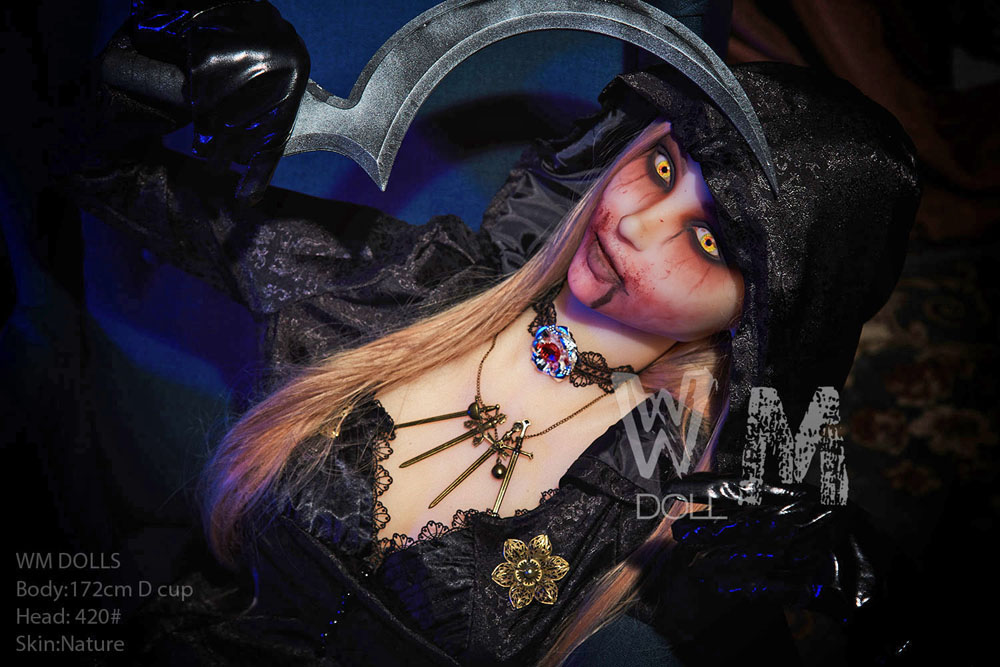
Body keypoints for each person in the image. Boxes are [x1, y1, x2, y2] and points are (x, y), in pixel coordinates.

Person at [60, 2, 921, 665]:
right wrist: (164, 70)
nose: (634, 222)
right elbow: (100, 172)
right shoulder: (414, 283)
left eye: (708, 240)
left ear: (754, 316)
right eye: (661, 167)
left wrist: (877, 610)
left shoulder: (671, 487)